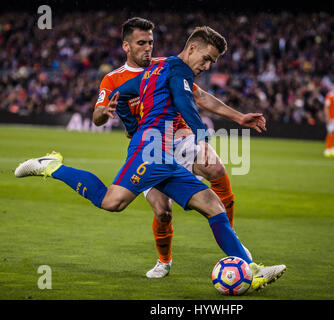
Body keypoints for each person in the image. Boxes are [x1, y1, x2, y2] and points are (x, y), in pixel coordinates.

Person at [15, 25, 285, 291]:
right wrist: (201, 135)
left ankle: (252, 269)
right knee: (112, 202)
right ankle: (52, 167)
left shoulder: (159, 67)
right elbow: (183, 101)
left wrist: (236, 117)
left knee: (213, 205)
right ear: (192, 48)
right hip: (150, 151)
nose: (207, 66)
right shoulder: (177, 69)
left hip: (163, 153)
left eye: (211, 62)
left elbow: (125, 96)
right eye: (206, 59)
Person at [92, 17, 282, 280]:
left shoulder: (166, 66)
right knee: (163, 211)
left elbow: (198, 96)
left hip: (180, 139)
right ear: (126, 46)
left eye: (151, 42)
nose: (148, 48)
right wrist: (105, 113)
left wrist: (238, 117)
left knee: (215, 167)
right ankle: (164, 260)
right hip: (150, 150)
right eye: (141, 43)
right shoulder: (113, 79)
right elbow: (98, 116)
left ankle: (233, 243)